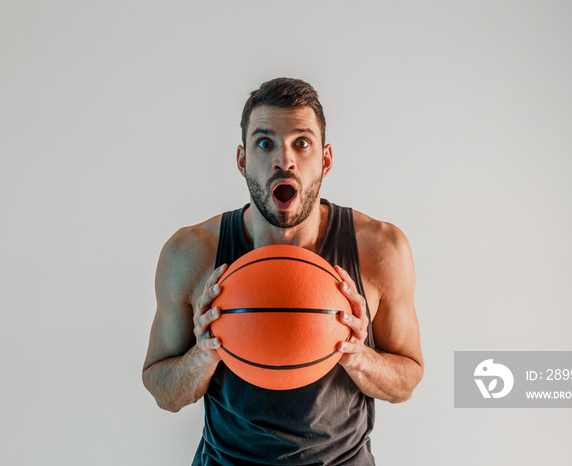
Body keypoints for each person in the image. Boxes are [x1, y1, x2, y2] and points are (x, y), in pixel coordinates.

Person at [142, 77, 423, 465]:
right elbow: (161, 390)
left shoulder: (380, 249)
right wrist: (202, 356)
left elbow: (407, 379)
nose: (284, 160)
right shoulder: (190, 254)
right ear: (242, 160)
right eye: (265, 142)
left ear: (325, 159)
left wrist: (359, 356)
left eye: (301, 143)